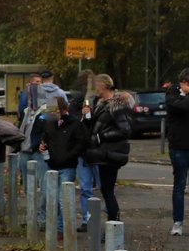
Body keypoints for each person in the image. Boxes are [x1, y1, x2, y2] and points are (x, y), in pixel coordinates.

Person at [18, 70, 66, 231]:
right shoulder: (27, 109)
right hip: (24, 151)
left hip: (39, 152)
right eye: (32, 88)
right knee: (28, 187)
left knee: (45, 186)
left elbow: (54, 126)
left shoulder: (47, 110)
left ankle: (43, 217)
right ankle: (32, 216)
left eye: (38, 86)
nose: (34, 91)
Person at [83, 73, 133, 224]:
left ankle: (115, 224)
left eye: (96, 86)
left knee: (108, 190)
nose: (95, 89)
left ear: (104, 86)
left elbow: (125, 130)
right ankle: (113, 223)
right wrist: (87, 116)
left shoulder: (116, 105)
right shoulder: (101, 103)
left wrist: (101, 137)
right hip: (102, 153)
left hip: (111, 153)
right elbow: (96, 126)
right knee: (106, 190)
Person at [37, 96, 87, 231]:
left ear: (62, 110)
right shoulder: (50, 123)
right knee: (48, 197)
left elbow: (81, 143)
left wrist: (69, 156)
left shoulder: (75, 124)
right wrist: (42, 146)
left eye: (54, 110)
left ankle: (63, 229)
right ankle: (54, 226)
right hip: (51, 166)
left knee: (63, 200)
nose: (52, 113)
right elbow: (45, 138)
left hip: (67, 166)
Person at [66, 68, 99, 232]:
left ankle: (108, 218)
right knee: (86, 187)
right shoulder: (74, 104)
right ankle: (87, 219)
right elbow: (73, 125)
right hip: (83, 152)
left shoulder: (100, 102)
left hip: (98, 151)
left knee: (101, 187)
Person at [164, 68, 189, 236]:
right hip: (179, 147)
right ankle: (177, 222)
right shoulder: (172, 94)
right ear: (183, 83)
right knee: (180, 185)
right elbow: (183, 106)